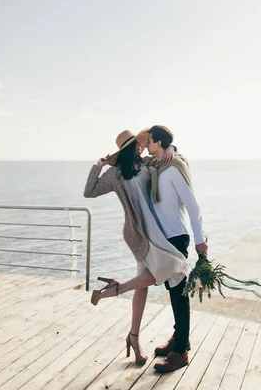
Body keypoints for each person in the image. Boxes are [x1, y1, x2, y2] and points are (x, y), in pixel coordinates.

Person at [83, 129, 191, 366]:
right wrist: (99, 164)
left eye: (142, 143)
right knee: (158, 274)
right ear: (127, 149)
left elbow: (168, 155)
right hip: (138, 233)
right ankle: (113, 291)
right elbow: (88, 191)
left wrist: (172, 148)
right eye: (136, 145)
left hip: (155, 230)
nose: (141, 146)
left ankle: (133, 336)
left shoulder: (144, 164)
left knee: (146, 282)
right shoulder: (114, 174)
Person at [146, 125, 207, 374]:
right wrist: (171, 148)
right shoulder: (158, 166)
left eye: (150, 142)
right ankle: (179, 337)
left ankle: (181, 352)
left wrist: (200, 240)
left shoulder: (173, 169)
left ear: (158, 143)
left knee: (179, 295)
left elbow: (193, 205)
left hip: (177, 237)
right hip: (166, 237)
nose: (148, 146)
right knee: (174, 292)